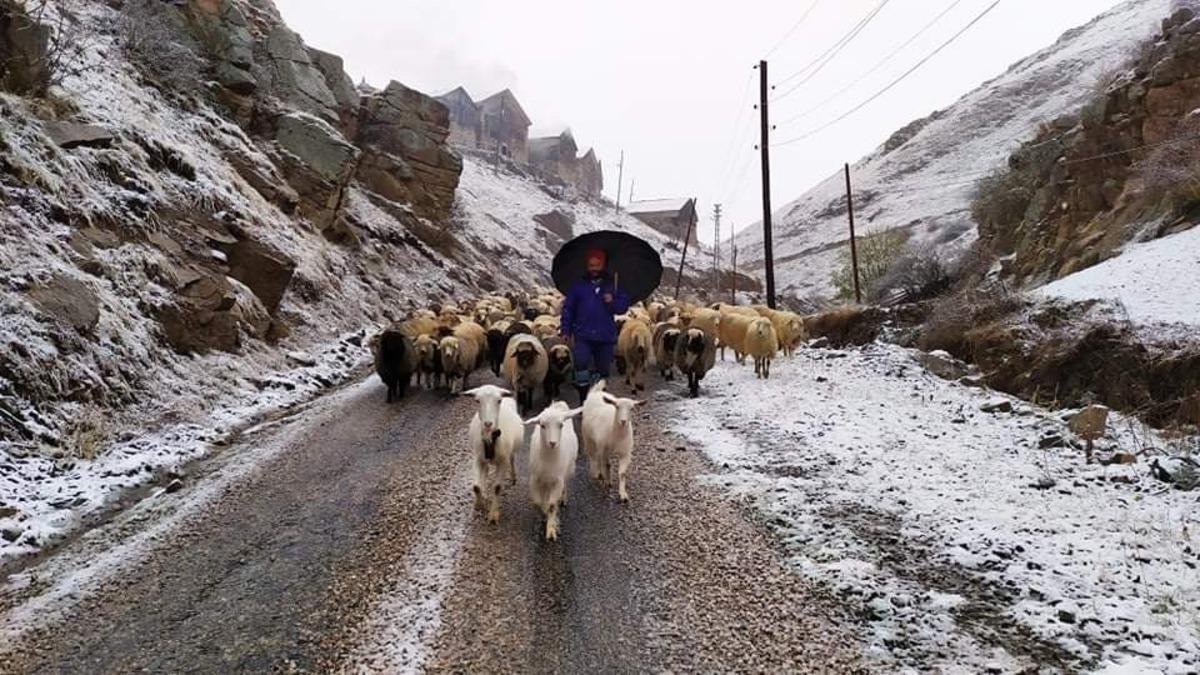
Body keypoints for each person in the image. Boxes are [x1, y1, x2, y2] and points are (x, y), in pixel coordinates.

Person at [560, 248, 630, 402]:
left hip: (605, 335)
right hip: (583, 333)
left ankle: (599, 400)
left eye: (597, 265)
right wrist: (565, 330)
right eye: (591, 265)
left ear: (603, 265)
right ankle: (583, 399)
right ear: (587, 266)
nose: (594, 269)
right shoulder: (578, 286)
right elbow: (568, 309)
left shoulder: (613, 285)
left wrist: (613, 301)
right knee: (581, 363)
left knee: (603, 370)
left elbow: (622, 308)